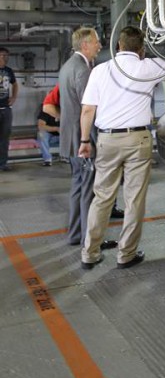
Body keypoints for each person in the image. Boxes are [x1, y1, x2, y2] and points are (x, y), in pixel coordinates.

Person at [78, 26, 165, 270]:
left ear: (118, 46)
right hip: (137, 140)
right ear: (141, 50)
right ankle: (125, 254)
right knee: (134, 200)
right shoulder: (148, 67)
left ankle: (90, 253)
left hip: (107, 140)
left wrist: (85, 141)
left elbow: (88, 110)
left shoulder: (99, 70)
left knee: (102, 198)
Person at [59, 27, 103, 245]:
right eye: (96, 42)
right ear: (85, 45)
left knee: (78, 186)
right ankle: (88, 238)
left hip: (70, 137)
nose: (99, 45)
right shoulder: (83, 70)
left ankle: (75, 234)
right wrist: (91, 140)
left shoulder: (68, 66)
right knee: (87, 189)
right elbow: (89, 109)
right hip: (81, 139)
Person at [0, 47, 18, 172]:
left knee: (5, 137)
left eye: (5, 55)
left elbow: (15, 84)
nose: (3, 57)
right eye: (1, 55)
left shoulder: (8, 71)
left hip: (6, 109)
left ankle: (3, 163)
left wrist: (14, 97)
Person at [37, 96, 60, 166]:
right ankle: (47, 159)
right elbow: (41, 126)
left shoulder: (66, 109)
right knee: (41, 134)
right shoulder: (46, 110)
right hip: (50, 136)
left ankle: (67, 157)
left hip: (63, 136)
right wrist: (57, 129)